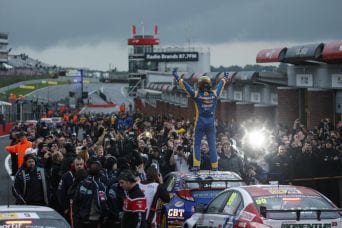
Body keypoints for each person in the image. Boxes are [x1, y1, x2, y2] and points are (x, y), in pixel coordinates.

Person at [173, 69, 235, 170]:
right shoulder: (214, 94)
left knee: (197, 144)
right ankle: (215, 166)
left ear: (199, 85)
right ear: (209, 84)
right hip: (211, 123)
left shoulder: (196, 95)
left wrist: (177, 77)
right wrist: (225, 77)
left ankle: (196, 166)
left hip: (200, 122)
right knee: (212, 145)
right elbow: (220, 86)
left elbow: (186, 87)